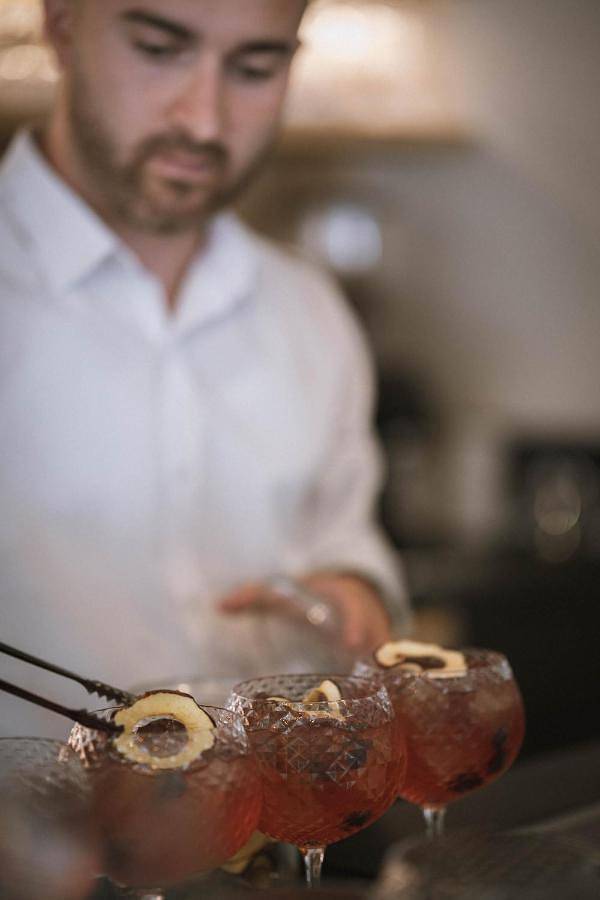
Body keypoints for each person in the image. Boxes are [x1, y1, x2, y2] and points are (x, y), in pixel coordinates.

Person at [0, 0, 409, 737]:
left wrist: (354, 590)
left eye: (255, 68)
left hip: (268, 807)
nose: (205, 122)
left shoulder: (309, 307)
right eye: (159, 50)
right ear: (60, 25)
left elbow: (343, 536)